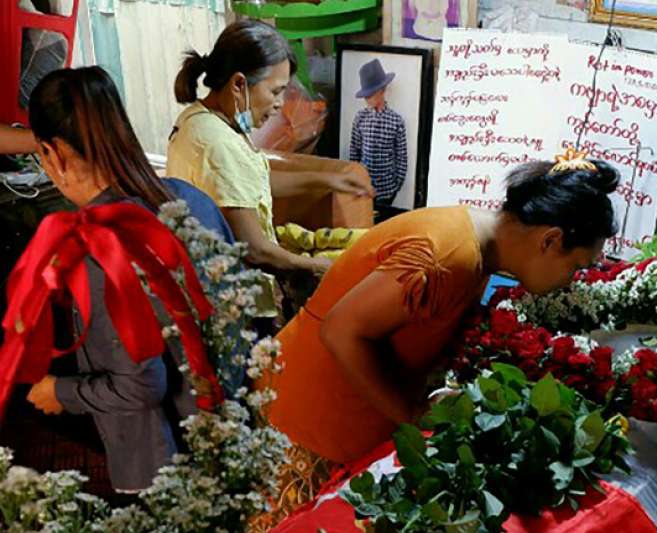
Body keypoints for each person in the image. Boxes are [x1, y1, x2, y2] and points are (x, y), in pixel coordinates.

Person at [256, 155, 620, 526]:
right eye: (576, 266)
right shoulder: (448, 256)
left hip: (331, 413)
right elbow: (341, 332)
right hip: (307, 418)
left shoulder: (478, 241)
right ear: (550, 240)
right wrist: (411, 415)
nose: (572, 279)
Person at [21, 66, 232, 495]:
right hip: (231, 432)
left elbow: (141, 385)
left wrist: (59, 392)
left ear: (52, 155)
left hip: (168, 463)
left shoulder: (98, 249)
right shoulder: (188, 198)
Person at [168, 20, 374, 325]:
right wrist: (319, 268)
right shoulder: (215, 143)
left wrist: (327, 180)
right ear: (239, 84)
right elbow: (256, 250)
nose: (280, 104)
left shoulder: (206, 119)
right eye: (275, 91)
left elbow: (251, 181)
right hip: (234, 312)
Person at [349, 59, 408, 209]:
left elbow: (401, 157)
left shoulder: (396, 121)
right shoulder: (360, 118)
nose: (366, 99)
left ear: (382, 90)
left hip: (387, 190)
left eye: (370, 95)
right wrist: (356, 181)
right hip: (363, 188)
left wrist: (395, 186)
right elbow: (354, 152)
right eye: (365, 95)